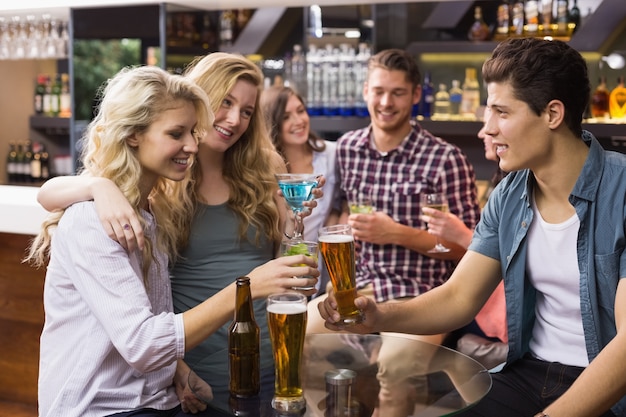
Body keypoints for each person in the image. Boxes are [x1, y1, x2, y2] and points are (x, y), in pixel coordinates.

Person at [319, 37, 626, 417]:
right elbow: (458, 297)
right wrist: (381, 316)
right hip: (528, 373)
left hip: (609, 387)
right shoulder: (509, 194)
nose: (487, 129)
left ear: (552, 114)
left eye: (501, 112)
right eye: (487, 111)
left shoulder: (622, 190)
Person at [25, 66, 318, 417]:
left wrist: (176, 369)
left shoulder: (146, 213)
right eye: (178, 132)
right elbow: (144, 343)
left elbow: (142, 324)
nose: (193, 144)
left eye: (193, 131)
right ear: (133, 134)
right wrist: (247, 286)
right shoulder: (99, 217)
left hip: (166, 394)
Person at [306, 48, 481, 346]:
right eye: (378, 92)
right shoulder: (348, 148)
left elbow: (470, 251)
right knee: (303, 338)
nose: (386, 103)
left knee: (397, 366)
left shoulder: (445, 159)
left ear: (415, 95)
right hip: (357, 289)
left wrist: (396, 234)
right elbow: (340, 212)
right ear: (365, 92)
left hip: (421, 294)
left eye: (397, 93)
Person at [423, 125, 508, 369]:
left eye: (496, 119)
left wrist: (459, 234)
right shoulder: (503, 180)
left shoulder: (516, 182)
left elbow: (512, 257)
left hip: (502, 308)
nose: (482, 133)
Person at [260, 84, 340, 295]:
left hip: (322, 272)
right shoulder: (265, 167)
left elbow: (344, 200)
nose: (298, 121)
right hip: (280, 271)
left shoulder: (332, 155)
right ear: (271, 123)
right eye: (286, 117)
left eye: (301, 111)